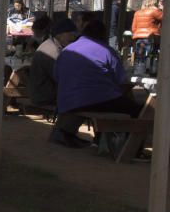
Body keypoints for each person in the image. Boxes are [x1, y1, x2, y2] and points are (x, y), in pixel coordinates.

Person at [52, 19, 142, 148]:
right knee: (139, 110)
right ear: (103, 35)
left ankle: (99, 137)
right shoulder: (107, 51)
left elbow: (57, 76)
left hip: (67, 101)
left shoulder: (67, 50)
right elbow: (122, 81)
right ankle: (132, 146)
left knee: (108, 101)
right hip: (97, 99)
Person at [29, 16, 78, 108]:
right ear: (59, 34)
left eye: (75, 33)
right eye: (70, 33)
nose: (74, 36)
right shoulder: (51, 51)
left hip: (44, 93)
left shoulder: (53, 45)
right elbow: (62, 77)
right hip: (45, 96)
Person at [131, 0, 163, 75]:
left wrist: (138, 33)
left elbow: (133, 28)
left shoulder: (137, 12)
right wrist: (163, 8)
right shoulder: (155, 11)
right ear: (154, 2)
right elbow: (166, 17)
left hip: (138, 37)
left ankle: (139, 72)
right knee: (152, 55)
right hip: (151, 36)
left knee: (139, 55)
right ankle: (151, 71)